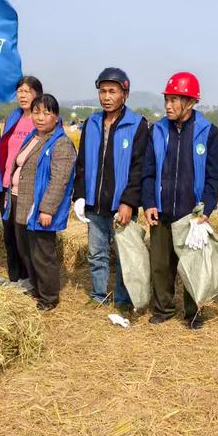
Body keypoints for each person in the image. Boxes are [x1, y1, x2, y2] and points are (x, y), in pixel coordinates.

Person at [141, 72, 218, 329]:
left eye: (174, 100)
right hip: (162, 210)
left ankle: (193, 313)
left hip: (192, 214)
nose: (168, 105)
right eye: (167, 99)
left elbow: (213, 176)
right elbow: (148, 171)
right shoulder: (156, 131)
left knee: (193, 265)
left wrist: (206, 208)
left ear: (189, 102)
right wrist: (149, 203)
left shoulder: (207, 132)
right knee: (161, 265)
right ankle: (163, 309)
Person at [72, 68, 149, 309]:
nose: (106, 97)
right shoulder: (92, 123)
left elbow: (139, 169)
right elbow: (82, 163)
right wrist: (80, 196)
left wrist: (128, 202)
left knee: (125, 255)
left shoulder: (137, 125)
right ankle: (99, 295)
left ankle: (123, 300)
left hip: (120, 206)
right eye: (102, 91)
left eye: (112, 91)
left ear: (124, 94)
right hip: (95, 203)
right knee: (96, 254)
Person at [7, 94, 76, 311]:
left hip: (38, 206)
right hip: (20, 200)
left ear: (56, 117)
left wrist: (47, 209)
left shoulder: (61, 143)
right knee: (25, 249)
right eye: (36, 112)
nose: (40, 117)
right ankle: (36, 289)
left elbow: (59, 181)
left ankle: (49, 297)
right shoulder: (33, 137)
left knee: (42, 253)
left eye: (47, 113)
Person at [0, 76, 43, 286]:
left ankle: (30, 279)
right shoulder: (13, 117)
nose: (22, 95)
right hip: (7, 186)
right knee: (10, 234)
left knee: (26, 237)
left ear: (37, 94)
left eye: (27, 91)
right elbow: (2, 151)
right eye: (19, 91)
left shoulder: (41, 120)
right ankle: (14, 278)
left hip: (29, 188)